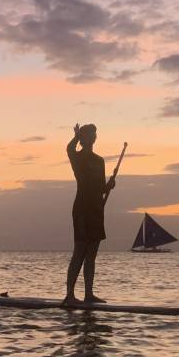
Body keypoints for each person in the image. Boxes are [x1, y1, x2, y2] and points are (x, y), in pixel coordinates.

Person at [62, 122, 115, 306]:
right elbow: (68, 148)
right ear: (84, 139)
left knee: (91, 254)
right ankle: (69, 295)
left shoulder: (99, 161)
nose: (94, 137)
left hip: (96, 209)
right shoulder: (77, 158)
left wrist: (108, 186)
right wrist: (76, 135)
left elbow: (101, 187)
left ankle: (89, 294)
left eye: (95, 134)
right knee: (79, 252)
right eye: (90, 134)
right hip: (82, 209)